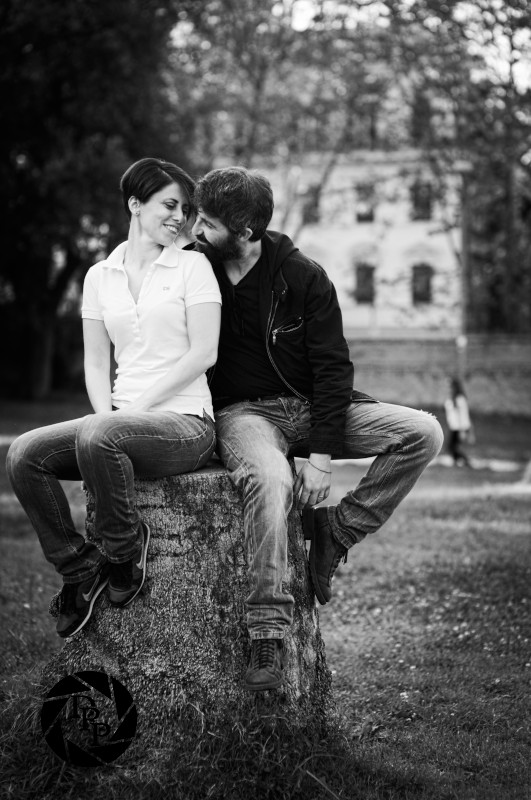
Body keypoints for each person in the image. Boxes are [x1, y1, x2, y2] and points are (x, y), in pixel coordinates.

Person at [190, 166, 444, 692]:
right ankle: (267, 632)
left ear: (245, 231)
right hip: (245, 415)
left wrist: (322, 456)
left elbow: (333, 370)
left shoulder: (302, 276)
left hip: (311, 408)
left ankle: (337, 532)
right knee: (271, 479)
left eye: (208, 223)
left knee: (423, 432)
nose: (196, 229)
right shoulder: (193, 269)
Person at [6, 157, 221, 639]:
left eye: (185, 210)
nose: (180, 218)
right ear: (135, 204)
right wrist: (104, 418)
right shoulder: (99, 276)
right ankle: (78, 567)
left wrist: (121, 417)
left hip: (187, 423)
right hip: (119, 421)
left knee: (99, 433)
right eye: (169, 205)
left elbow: (203, 353)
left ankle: (124, 552)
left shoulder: (193, 268)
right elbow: (97, 363)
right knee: (24, 455)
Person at [444, 377, 473, 466]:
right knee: (451, 447)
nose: (448, 388)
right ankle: (457, 461)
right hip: (453, 427)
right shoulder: (451, 398)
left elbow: (463, 415)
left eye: (449, 386)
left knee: (451, 446)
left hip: (459, 428)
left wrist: (462, 431)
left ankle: (466, 461)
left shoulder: (460, 399)